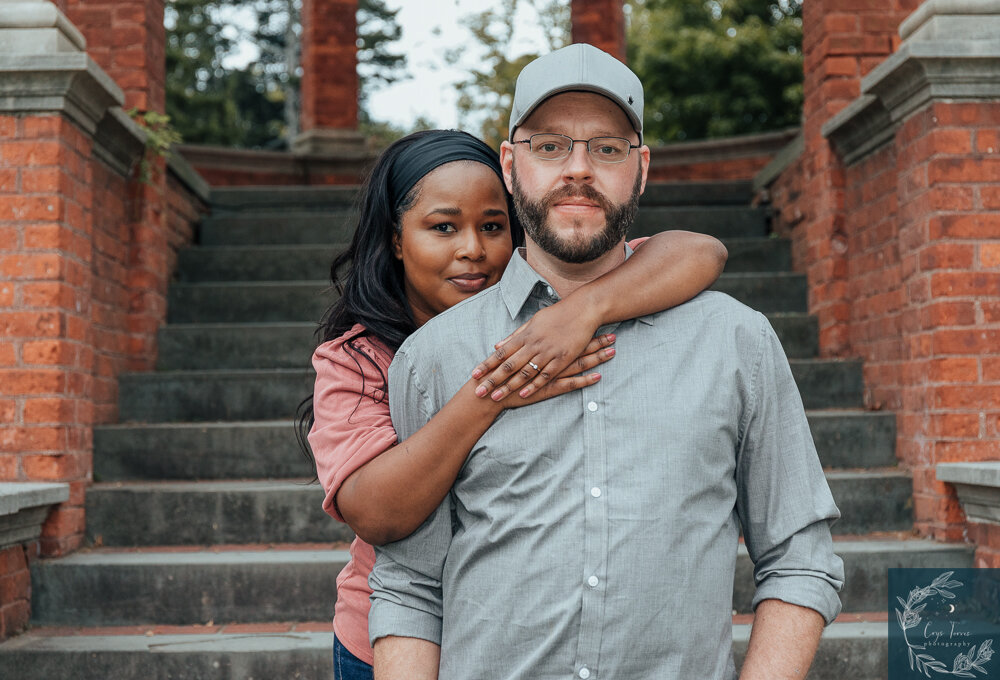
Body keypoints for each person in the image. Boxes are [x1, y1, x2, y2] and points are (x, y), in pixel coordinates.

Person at [368, 44, 846, 680]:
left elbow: (799, 557)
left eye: (607, 148)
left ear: (641, 168)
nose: (579, 169)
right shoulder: (434, 357)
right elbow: (409, 588)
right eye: (550, 146)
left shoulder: (737, 341)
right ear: (510, 165)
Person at [301, 128, 729, 679]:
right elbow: (378, 512)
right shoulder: (358, 357)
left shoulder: (551, 314)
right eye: (443, 227)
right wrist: (491, 394)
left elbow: (699, 250)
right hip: (390, 643)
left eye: (493, 227)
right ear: (398, 238)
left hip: (515, 641)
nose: (473, 250)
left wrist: (585, 309)